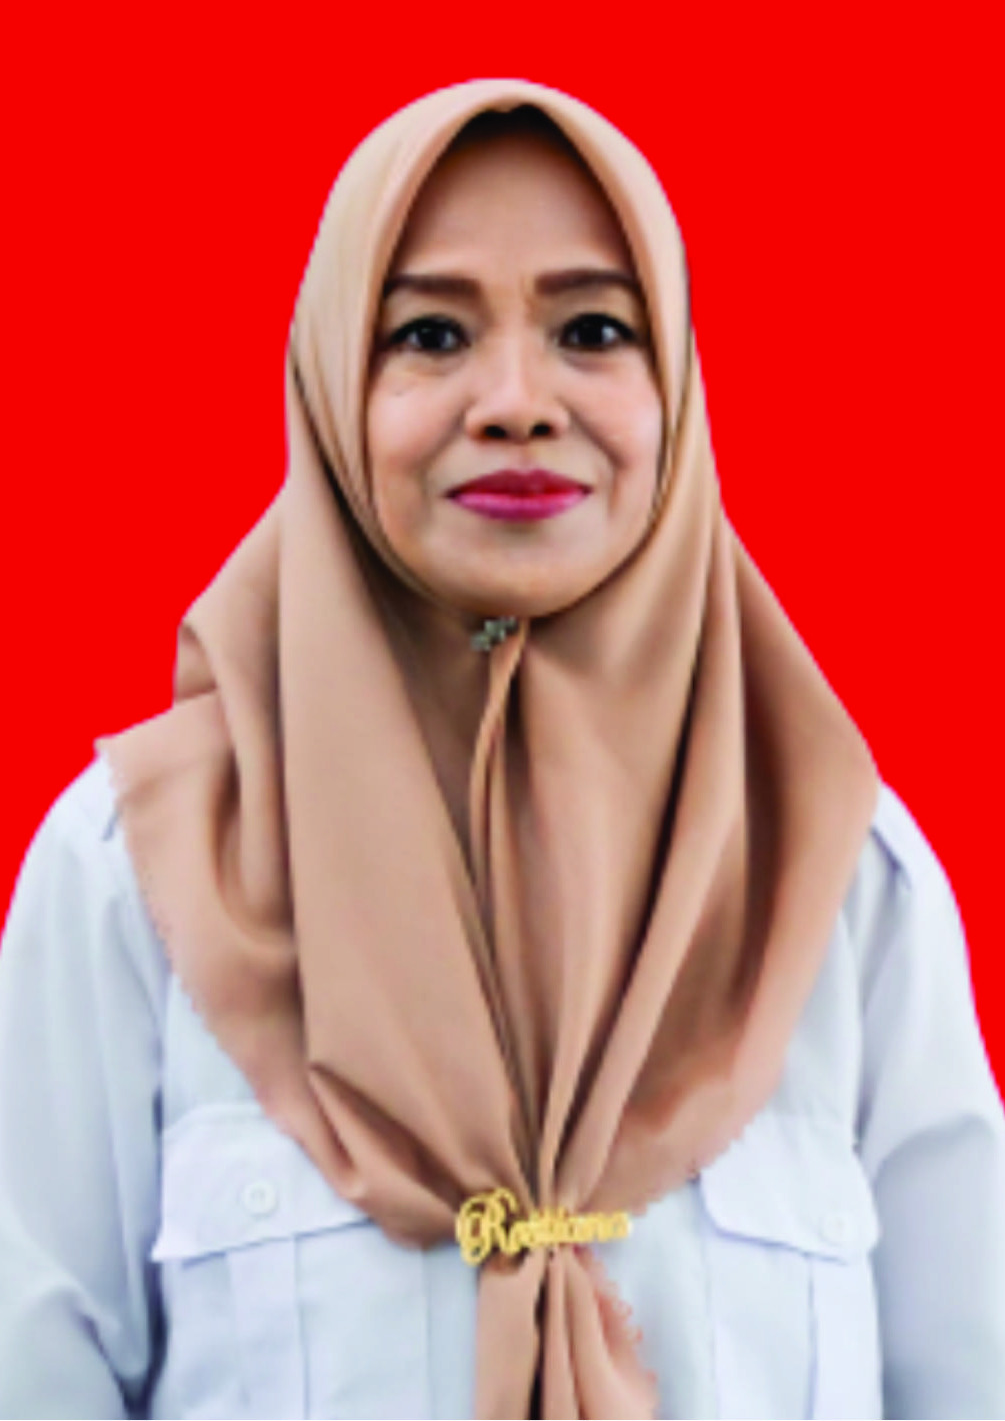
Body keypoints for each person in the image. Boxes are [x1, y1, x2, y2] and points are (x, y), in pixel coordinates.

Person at [0, 79, 1002, 1421]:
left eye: (594, 329)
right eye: (429, 333)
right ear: (330, 383)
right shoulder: (134, 874)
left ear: (679, 389)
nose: (518, 401)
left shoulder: (840, 880)